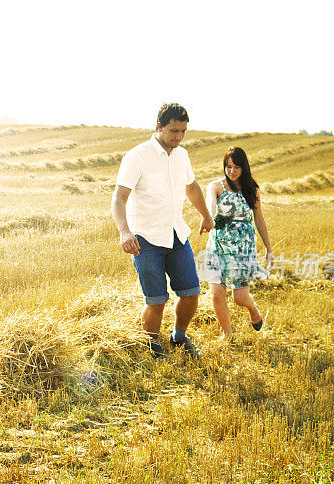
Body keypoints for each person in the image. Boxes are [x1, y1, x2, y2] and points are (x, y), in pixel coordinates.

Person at [111, 103, 214, 358]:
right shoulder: (137, 156)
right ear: (159, 127)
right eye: (173, 131)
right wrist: (124, 231)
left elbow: (191, 187)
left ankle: (179, 337)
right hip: (145, 239)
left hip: (177, 235)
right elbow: (119, 198)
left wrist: (206, 215)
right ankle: (153, 345)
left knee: (191, 294)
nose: (178, 137)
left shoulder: (182, 155)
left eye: (183, 132)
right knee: (156, 301)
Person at [202, 146, 274, 339]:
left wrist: (269, 248)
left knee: (240, 298)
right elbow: (210, 204)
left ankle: (253, 309)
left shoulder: (252, 189)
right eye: (228, 166)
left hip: (242, 249)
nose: (232, 171)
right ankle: (228, 336)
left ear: (244, 168)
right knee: (217, 293)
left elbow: (259, 219)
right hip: (217, 246)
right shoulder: (216, 186)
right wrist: (208, 218)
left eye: (236, 167)